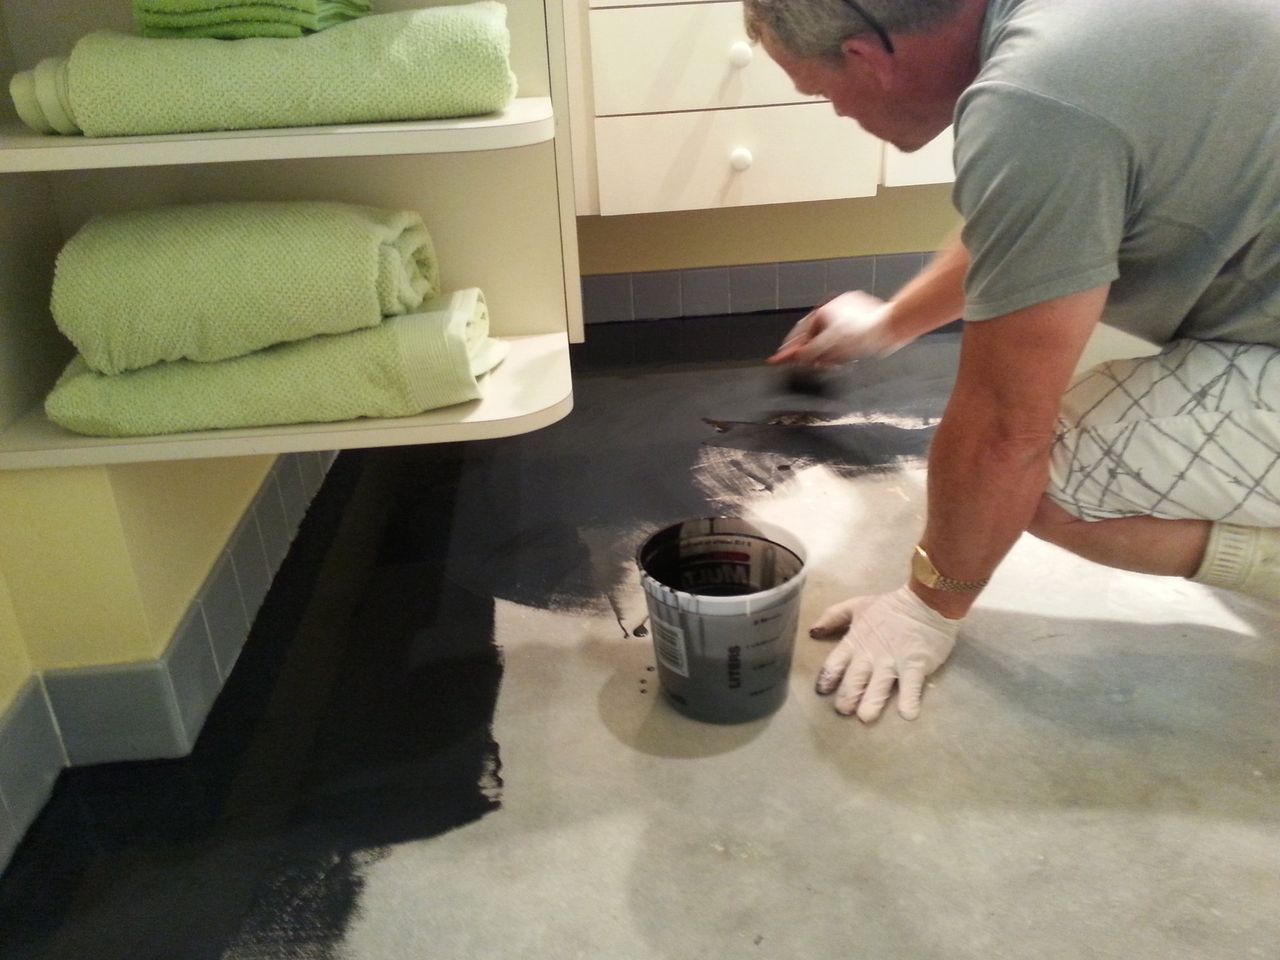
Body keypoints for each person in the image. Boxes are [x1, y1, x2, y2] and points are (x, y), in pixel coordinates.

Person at [742, 0, 1280, 723]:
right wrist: (890, 324)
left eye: (821, 91)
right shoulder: (1057, 42)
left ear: (867, 57)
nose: (836, 111)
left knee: (1038, 482)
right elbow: (1037, 209)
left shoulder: (1036, 99)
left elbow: (1005, 429)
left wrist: (929, 605)